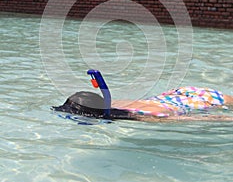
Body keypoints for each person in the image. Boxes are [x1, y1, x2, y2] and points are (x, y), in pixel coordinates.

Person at [52, 70, 233, 122]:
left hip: (203, 101)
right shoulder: (112, 104)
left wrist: (225, 119)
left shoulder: (143, 117)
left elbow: (195, 119)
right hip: (177, 93)